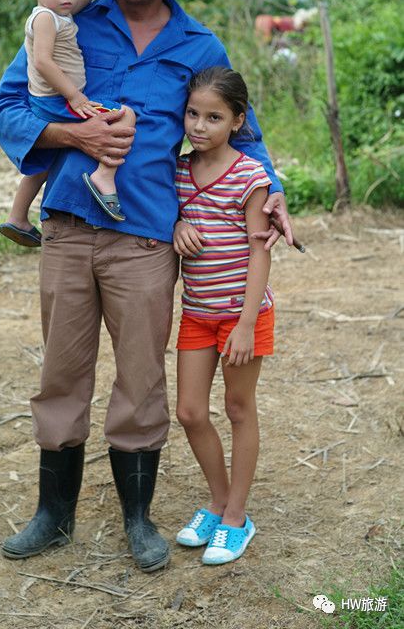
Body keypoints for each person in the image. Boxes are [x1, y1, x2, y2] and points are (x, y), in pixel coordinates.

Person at [0, 0, 293, 573]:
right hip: (68, 227)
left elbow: (249, 135)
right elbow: (6, 107)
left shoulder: (199, 45)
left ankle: (137, 517)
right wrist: (74, 132)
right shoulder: (70, 21)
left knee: (140, 378)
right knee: (60, 373)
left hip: (148, 240)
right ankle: (52, 514)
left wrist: (272, 193)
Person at [173, 67, 273, 565]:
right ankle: (216, 499)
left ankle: (237, 516)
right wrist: (174, 225)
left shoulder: (250, 176)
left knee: (238, 409)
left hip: (241, 314)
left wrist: (247, 324)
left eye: (214, 117)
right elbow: (169, 218)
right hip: (196, 312)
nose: (199, 125)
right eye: (193, 113)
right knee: (189, 411)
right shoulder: (176, 172)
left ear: (237, 121)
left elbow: (261, 252)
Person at [0, 0, 136, 247]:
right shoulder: (45, 18)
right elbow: (43, 62)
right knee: (125, 115)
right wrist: (74, 96)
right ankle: (105, 175)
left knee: (46, 163)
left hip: (54, 100)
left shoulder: (61, 11)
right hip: (56, 101)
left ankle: (17, 217)